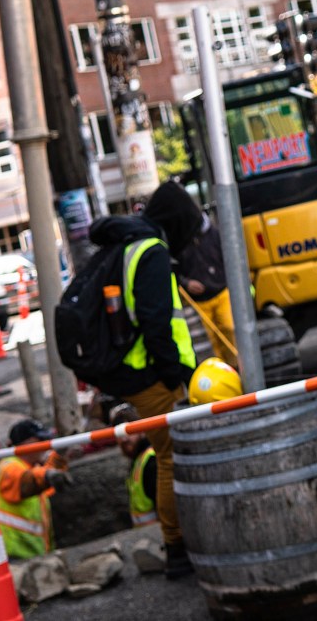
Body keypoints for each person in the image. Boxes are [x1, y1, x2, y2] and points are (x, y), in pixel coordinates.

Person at [88, 180, 198, 578]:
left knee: (171, 456)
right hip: (150, 375)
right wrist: (172, 374)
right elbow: (155, 322)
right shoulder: (150, 251)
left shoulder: (131, 244)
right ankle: (177, 549)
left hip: (136, 372)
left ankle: (178, 543)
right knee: (172, 459)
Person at [153, 182, 238, 368]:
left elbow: (229, 256)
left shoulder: (212, 233)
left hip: (221, 291)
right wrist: (186, 282)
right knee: (210, 344)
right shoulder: (178, 239)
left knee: (229, 329)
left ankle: (236, 369)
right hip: (199, 302)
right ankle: (221, 374)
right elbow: (173, 268)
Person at [0, 419, 71, 559]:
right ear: (23, 444)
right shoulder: (8, 467)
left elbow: (43, 481)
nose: (44, 445)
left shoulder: (30, 466)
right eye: (39, 440)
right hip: (14, 556)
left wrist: (59, 457)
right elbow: (29, 481)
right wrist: (47, 476)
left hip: (30, 554)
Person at [110, 404, 158, 528]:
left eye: (129, 432)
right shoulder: (137, 460)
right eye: (119, 436)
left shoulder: (151, 461)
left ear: (141, 431)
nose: (124, 439)